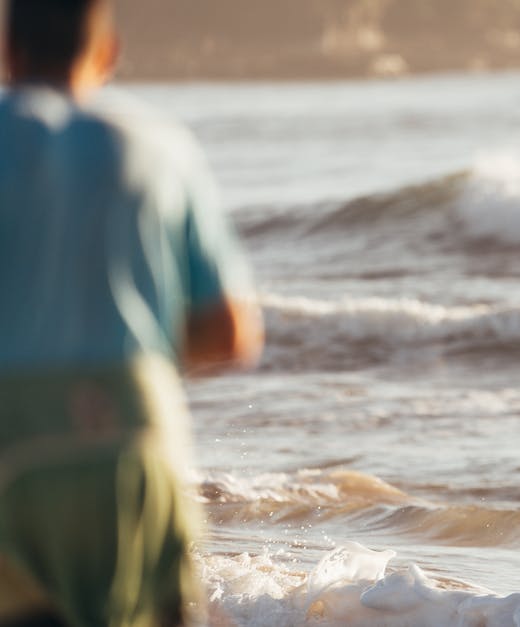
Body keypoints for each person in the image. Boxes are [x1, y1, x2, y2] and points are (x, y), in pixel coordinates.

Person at [0, 0, 263, 624]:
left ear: (8, 51)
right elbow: (231, 332)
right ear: (107, 51)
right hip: (138, 431)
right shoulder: (161, 144)